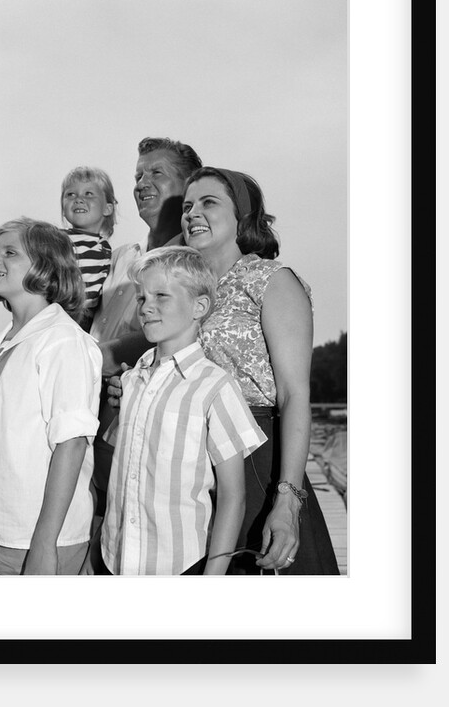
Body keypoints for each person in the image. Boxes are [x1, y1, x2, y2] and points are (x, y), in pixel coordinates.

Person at [181, 166, 340, 574]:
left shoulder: (271, 279)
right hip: (192, 463)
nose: (192, 213)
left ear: (243, 216)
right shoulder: (183, 293)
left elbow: (294, 394)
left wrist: (287, 497)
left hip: (257, 461)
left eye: (208, 202)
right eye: (187, 206)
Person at [0, 217, 103, 576]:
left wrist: (45, 544)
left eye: (10, 253)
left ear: (45, 266)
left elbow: (72, 444)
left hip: (41, 540)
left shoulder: (62, 340)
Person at [100, 246, 267, 575]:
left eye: (161, 296)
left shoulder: (215, 387)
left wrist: (213, 576)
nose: (146, 307)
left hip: (181, 563)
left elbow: (233, 496)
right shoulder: (131, 381)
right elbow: (122, 473)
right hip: (116, 559)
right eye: (141, 298)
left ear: (199, 306)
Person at [85, 137, 204, 554]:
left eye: (156, 173)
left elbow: (178, 331)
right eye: (138, 175)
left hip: (138, 423)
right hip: (89, 414)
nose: (141, 183)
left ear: (188, 186)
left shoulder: (193, 259)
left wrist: (93, 358)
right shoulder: (122, 257)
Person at [60, 166, 117, 332]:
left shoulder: (106, 249)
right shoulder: (59, 240)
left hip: (91, 321)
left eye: (88, 194)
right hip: (63, 312)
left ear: (107, 208)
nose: (78, 199)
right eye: (71, 194)